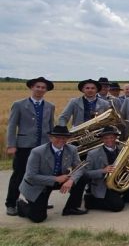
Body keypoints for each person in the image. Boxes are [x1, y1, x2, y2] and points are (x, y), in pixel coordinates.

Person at [16, 125, 88, 222]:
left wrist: (71, 180)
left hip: (60, 180)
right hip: (38, 185)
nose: (61, 140)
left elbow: (80, 168)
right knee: (38, 218)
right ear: (50, 138)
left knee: (83, 177)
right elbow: (30, 176)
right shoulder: (37, 152)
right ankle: (21, 205)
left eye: (64, 138)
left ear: (67, 139)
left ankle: (71, 208)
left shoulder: (72, 149)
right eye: (57, 137)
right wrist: (55, 179)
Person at [6, 77, 55, 216]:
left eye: (43, 87)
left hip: (43, 146)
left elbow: (51, 126)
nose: (40, 89)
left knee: (43, 175)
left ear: (46, 90)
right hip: (24, 146)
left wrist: (53, 143)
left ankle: (40, 201)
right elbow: (11, 126)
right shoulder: (19, 104)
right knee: (19, 174)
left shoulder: (50, 106)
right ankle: (11, 203)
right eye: (37, 87)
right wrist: (11, 144)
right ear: (31, 88)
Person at [83, 125, 129, 211]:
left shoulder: (123, 149)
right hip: (104, 185)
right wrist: (103, 171)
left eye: (111, 137)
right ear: (102, 139)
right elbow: (86, 173)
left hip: (120, 181)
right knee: (118, 206)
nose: (109, 140)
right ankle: (91, 201)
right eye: (106, 138)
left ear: (116, 138)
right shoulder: (93, 154)